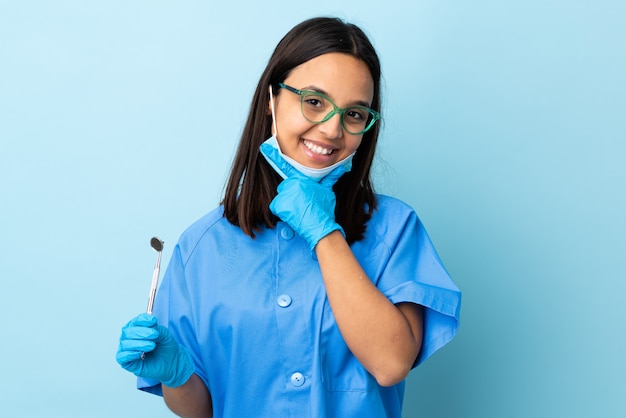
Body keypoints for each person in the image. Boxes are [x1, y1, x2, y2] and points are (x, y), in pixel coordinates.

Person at [116, 16, 461, 418]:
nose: (333, 130)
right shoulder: (202, 247)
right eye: (314, 102)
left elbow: (390, 364)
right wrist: (175, 375)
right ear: (271, 98)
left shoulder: (395, 230)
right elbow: (201, 411)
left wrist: (323, 232)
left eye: (354, 114)